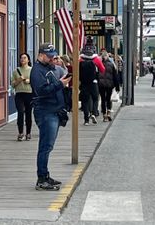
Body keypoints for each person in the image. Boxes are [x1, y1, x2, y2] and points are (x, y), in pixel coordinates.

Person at [30, 43, 71, 191]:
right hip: (45, 111)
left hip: (53, 110)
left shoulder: (49, 68)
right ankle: (41, 179)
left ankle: (45, 175)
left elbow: (53, 86)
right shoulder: (37, 71)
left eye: (53, 55)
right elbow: (42, 91)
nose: (52, 58)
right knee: (45, 146)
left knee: (48, 146)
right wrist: (60, 84)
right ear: (40, 55)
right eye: (49, 56)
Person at [11, 53, 33, 141]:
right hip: (19, 94)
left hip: (29, 93)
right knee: (20, 113)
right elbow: (12, 84)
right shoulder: (16, 71)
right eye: (21, 58)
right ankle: (20, 133)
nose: (22, 59)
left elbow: (36, 81)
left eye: (24, 58)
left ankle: (28, 133)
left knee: (28, 113)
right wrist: (18, 80)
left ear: (28, 60)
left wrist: (29, 81)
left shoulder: (32, 70)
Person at [79, 47, 100, 125]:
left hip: (84, 84)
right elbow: (99, 71)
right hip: (93, 83)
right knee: (95, 99)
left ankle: (86, 119)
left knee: (84, 102)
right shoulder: (95, 62)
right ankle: (94, 113)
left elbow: (78, 74)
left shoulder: (80, 63)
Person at [99, 51, 119, 121]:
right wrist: (117, 86)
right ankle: (109, 112)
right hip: (109, 84)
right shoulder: (111, 64)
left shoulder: (100, 64)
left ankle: (104, 115)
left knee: (103, 99)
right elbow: (115, 76)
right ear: (107, 57)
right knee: (108, 99)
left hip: (101, 85)